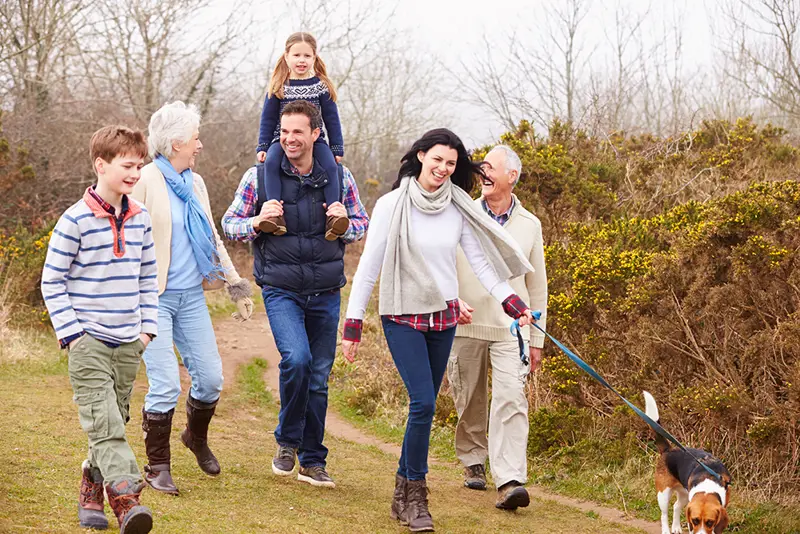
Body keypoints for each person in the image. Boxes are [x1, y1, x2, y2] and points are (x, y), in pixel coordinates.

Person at [341, 129, 537, 533]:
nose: (443, 169)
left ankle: (401, 492)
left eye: (451, 163)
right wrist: (353, 323)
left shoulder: (458, 206)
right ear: (420, 157)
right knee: (424, 404)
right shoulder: (392, 205)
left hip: (443, 319)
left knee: (424, 408)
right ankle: (416, 496)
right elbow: (368, 268)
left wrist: (512, 301)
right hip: (402, 316)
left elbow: (481, 264)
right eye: (437, 160)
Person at [222, 99, 368, 489]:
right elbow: (229, 224)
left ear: (316, 134)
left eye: (297, 132)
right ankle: (287, 441)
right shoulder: (259, 178)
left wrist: (342, 222)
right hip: (281, 288)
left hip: (326, 290)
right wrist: (257, 220)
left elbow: (361, 225)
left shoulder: (340, 176)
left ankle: (312, 460)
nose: (288, 139)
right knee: (298, 359)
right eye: (283, 132)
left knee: (319, 377)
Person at [131, 101, 254, 496]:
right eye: (195, 138)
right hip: (154, 299)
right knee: (165, 382)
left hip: (190, 299)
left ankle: (195, 437)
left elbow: (212, 237)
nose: (200, 145)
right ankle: (158, 465)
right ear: (176, 143)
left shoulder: (195, 183)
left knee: (211, 378)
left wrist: (235, 285)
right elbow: (129, 240)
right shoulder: (146, 179)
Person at [41, 125, 156, 533]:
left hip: (129, 342)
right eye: (127, 165)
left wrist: (147, 332)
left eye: (139, 166)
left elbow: (147, 278)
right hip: (88, 341)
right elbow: (51, 281)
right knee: (104, 425)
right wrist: (73, 334)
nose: (135, 173)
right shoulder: (74, 221)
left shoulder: (141, 219)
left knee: (111, 421)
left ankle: (90, 492)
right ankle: (127, 501)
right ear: (100, 165)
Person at [447, 144, 548, 510]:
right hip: (466, 323)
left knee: (510, 398)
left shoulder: (530, 225)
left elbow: (537, 286)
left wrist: (537, 338)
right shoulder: (462, 214)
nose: (483, 174)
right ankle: (474, 461)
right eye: (482, 168)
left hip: (512, 329)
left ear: (512, 177)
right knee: (468, 397)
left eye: (491, 168)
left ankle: (509, 479)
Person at [255, 31, 348, 241]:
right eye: (296, 55)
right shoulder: (279, 86)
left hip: (315, 140)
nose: (301, 60)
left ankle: (333, 216)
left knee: (331, 168)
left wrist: (336, 148)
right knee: (270, 164)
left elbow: (332, 119)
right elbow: (268, 119)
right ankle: (275, 215)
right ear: (287, 56)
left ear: (314, 58)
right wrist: (262, 146)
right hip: (282, 140)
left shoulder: (320, 86)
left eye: (307, 56)